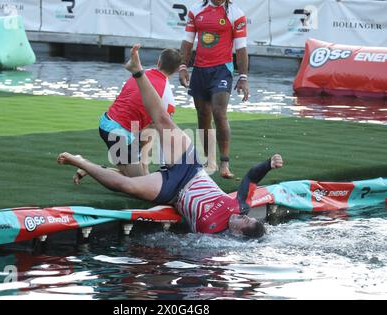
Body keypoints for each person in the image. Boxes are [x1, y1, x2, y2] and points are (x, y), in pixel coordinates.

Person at [58, 44, 283, 238]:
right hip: (192, 168)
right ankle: (137, 71)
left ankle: (79, 162)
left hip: (172, 191)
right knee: (163, 120)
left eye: (243, 222)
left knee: (128, 185)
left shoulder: (212, 233)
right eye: (246, 217)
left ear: (237, 233)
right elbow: (252, 178)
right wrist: (268, 164)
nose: (240, 217)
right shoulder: (240, 206)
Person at [73, 48, 182, 184]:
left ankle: (87, 167)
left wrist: (143, 163)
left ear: (158, 62)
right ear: (177, 70)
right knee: (140, 184)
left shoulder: (141, 73)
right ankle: (83, 163)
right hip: (119, 132)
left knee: (133, 177)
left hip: (110, 123)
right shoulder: (168, 96)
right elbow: (164, 130)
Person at [179, 0, 250, 179]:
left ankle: (224, 162)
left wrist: (243, 77)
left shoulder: (235, 13)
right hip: (200, 70)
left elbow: (241, 48)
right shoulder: (196, 10)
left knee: (219, 113)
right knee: (203, 115)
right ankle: (208, 161)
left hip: (222, 70)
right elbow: (187, 42)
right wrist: (183, 67)